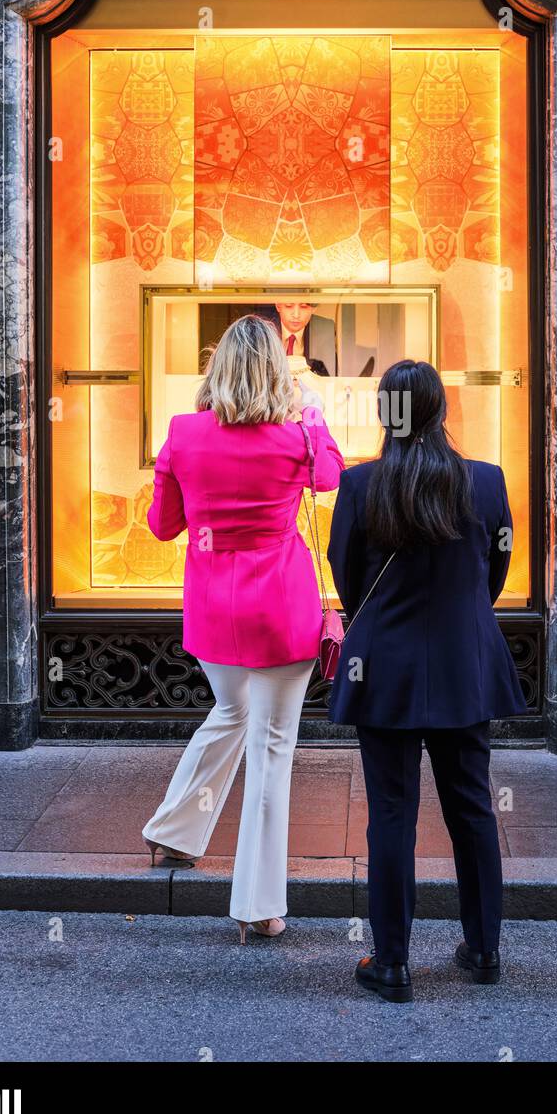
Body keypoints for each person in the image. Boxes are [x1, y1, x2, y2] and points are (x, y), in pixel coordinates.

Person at [327, 359, 528, 1002]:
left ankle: (391, 963)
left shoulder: (360, 486)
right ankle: (484, 947)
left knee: (391, 813)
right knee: (472, 807)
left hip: (383, 669)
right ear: (442, 411)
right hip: (465, 666)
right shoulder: (486, 482)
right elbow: (493, 574)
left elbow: (346, 575)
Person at [142, 314, 345, 944]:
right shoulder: (295, 438)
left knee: (231, 712)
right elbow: (331, 477)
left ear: (218, 366)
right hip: (282, 608)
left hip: (213, 606)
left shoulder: (182, 433)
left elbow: (162, 527)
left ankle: (175, 831)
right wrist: (312, 418)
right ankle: (256, 903)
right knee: (272, 746)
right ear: (277, 372)